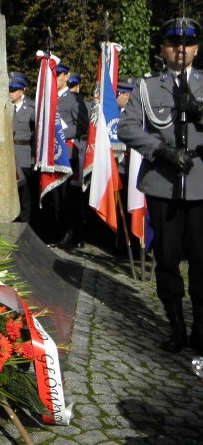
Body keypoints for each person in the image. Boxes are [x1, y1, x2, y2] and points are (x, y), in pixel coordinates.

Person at [118, 18, 203, 354]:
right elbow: (127, 128)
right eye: (172, 43)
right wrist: (163, 150)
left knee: (201, 261)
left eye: (187, 43)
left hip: (199, 184)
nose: (180, 50)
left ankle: (200, 328)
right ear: (163, 48)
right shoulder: (146, 86)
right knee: (167, 261)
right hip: (162, 183)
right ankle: (176, 327)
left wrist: (198, 111)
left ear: (196, 48)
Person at [48, 61, 89, 249]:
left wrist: (61, 132)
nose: (55, 79)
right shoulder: (48, 98)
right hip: (50, 154)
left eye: (59, 75)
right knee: (53, 196)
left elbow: (82, 126)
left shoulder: (74, 100)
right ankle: (55, 231)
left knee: (67, 198)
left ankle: (68, 235)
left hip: (67, 152)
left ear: (66, 76)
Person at [9, 72, 35, 223]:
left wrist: (33, 159)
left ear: (21, 91)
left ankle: (26, 227)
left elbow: (37, 135)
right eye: (9, 89)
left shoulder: (31, 108)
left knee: (25, 197)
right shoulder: (4, 107)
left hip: (24, 157)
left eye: (13, 89)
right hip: (8, 156)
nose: (10, 93)